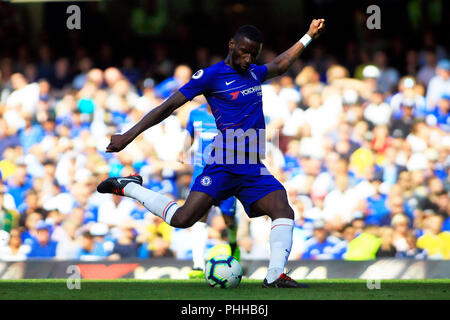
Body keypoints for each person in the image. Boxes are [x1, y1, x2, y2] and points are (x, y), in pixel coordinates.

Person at [98, 19, 325, 288]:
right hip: (224, 163)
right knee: (183, 219)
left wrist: (308, 36)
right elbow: (166, 107)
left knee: (282, 209)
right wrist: (128, 136)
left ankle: (275, 275)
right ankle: (130, 187)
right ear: (232, 45)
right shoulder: (210, 76)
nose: (248, 58)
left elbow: (281, 64)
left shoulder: (253, 72)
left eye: (254, 53)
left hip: (251, 166)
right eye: (244, 51)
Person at [182, 102, 239, 279]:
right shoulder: (195, 114)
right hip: (202, 173)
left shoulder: (230, 111)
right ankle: (198, 265)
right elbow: (190, 134)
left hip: (225, 173)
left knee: (228, 219)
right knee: (199, 215)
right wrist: (183, 150)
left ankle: (233, 243)